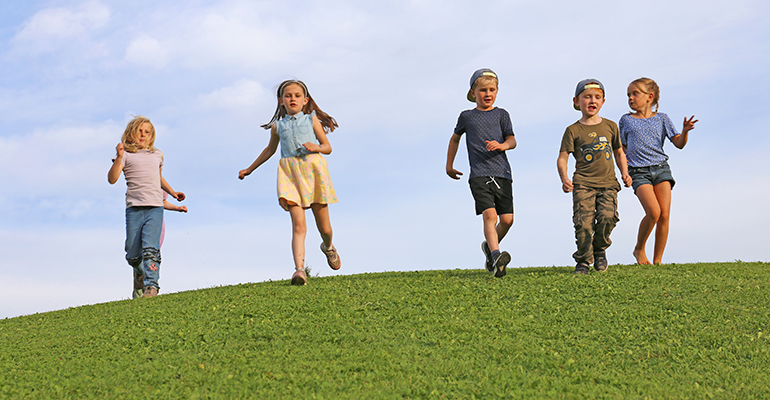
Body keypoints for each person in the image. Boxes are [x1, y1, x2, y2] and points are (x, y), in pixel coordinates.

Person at [239, 79, 340, 286]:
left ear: (305, 101)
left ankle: (328, 247)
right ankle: (299, 270)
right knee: (298, 225)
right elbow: (269, 151)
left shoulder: (312, 121)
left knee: (325, 228)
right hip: (290, 174)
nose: (292, 98)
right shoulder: (277, 127)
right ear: (281, 101)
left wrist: (316, 147)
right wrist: (249, 169)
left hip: (313, 172)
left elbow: (327, 147)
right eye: (288, 95)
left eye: (296, 95)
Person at [446, 68, 517, 278]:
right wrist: (449, 165)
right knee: (490, 215)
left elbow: (512, 140)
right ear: (473, 93)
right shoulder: (467, 116)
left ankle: (489, 247)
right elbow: (455, 139)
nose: (488, 94)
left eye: (492, 90)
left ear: (497, 91)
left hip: (502, 173)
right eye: (483, 90)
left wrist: (503, 145)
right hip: (479, 174)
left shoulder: (502, 114)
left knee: (507, 220)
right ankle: (496, 256)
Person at [620, 77, 697, 265]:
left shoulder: (662, 118)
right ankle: (639, 249)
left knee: (664, 215)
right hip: (638, 172)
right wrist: (625, 172)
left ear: (650, 97)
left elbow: (678, 144)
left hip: (661, 169)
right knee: (653, 212)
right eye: (628, 94)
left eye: (635, 93)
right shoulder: (626, 120)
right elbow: (620, 149)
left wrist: (685, 131)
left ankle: (658, 261)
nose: (630, 98)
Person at [557, 79, 632, 274]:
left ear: (603, 101)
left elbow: (618, 153)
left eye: (597, 97)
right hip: (583, 184)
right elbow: (563, 157)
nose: (592, 100)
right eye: (587, 97)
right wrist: (564, 178)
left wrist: (625, 172)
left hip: (608, 183)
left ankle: (599, 250)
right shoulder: (572, 130)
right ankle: (583, 261)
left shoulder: (610, 126)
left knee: (608, 218)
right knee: (583, 224)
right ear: (577, 101)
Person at [108, 116, 185, 298]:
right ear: (130, 134)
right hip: (134, 209)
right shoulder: (125, 155)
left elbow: (158, 178)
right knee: (132, 255)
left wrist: (173, 192)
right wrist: (119, 158)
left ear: (151, 136)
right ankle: (141, 272)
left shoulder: (156, 155)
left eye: (147, 132)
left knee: (151, 249)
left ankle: (152, 287)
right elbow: (112, 179)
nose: (143, 135)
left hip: (155, 208)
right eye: (139, 131)